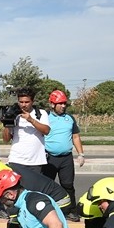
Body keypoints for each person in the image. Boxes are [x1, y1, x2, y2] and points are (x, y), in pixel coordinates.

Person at [42, 90, 84, 219]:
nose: (63, 106)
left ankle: (71, 211)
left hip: (66, 158)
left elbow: (75, 137)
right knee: (47, 185)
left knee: (68, 185)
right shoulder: (45, 117)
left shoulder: (69, 118)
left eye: (64, 103)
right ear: (52, 104)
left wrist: (81, 154)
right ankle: (46, 210)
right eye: (60, 103)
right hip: (49, 157)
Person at [0, 87, 50, 192]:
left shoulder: (40, 113)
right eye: (21, 102)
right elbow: (5, 139)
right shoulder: (14, 114)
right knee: (17, 191)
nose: (23, 104)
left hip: (35, 161)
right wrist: (7, 122)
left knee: (35, 191)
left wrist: (31, 120)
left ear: (32, 101)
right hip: (17, 160)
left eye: (27, 102)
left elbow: (46, 131)